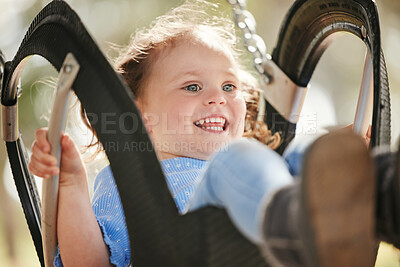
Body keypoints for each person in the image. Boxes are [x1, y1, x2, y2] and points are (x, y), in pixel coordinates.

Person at [28, 1, 400, 266]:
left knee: (302, 153)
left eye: (229, 87)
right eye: (192, 87)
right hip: (185, 249)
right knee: (234, 161)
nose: (217, 100)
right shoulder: (127, 183)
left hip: (268, 236)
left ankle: (379, 191)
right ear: (140, 116)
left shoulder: (259, 166)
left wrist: (344, 161)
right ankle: (294, 222)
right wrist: (72, 185)